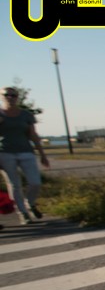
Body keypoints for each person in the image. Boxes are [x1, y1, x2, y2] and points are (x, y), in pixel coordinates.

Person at [0, 86, 50, 225]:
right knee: (15, 184)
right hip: (5, 152)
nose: (10, 97)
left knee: (35, 182)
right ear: (1, 97)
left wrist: (42, 154)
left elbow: (33, 135)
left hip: (25, 151)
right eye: (6, 95)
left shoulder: (25, 115)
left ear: (17, 97)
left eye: (13, 95)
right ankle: (23, 213)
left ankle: (30, 203)